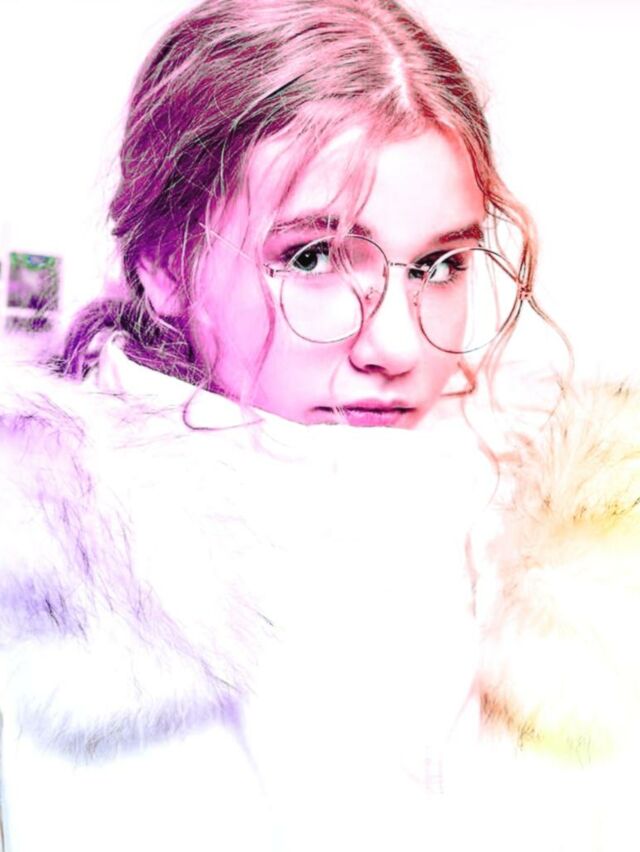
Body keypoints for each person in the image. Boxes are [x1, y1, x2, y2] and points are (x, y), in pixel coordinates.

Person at [0, 1, 567, 850]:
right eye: (313, 257)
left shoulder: (565, 567)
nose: (397, 345)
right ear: (162, 264)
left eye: (439, 265)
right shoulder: (32, 586)